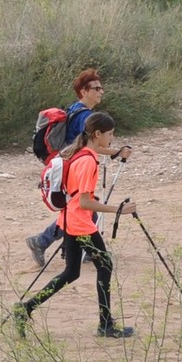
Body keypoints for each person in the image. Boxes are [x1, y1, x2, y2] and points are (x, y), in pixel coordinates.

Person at [15, 111, 136, 339]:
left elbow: (96, 152)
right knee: (105, 267)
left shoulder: (81, 151)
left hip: (69, 219)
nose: (112, 138)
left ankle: (26, 308)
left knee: (71, 272)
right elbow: (85, 202)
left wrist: (116, 153)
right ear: (97, 134)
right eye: (110, 134)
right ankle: (105, 325)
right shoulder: (88, 162)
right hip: (81, 224)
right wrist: (118, 209)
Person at [27, 67, 132, 268]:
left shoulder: (74, 108)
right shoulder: (85, 117)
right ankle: (44, 242)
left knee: (81, 207)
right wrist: (118, 152)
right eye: (96, 88)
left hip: (67, 164)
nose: (101, 91)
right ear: (84, 91)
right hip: (74, 166)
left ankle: (74, 248)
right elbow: (92, 145)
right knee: (83, 207)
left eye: (101, 88)